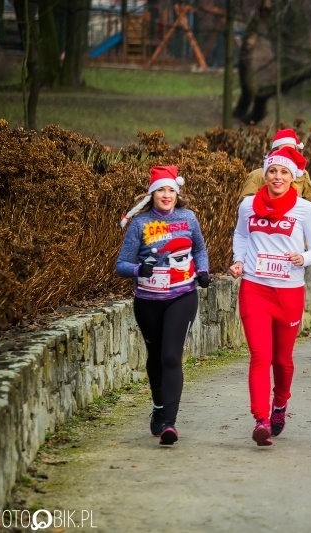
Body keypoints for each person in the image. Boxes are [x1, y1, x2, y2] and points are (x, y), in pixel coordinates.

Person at [229, 145, 311, 446]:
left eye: (284, 172)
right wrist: (239, 259)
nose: (277, 176)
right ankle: (261, 419)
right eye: (273, 171)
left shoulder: (304, 209)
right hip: (255, 287)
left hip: (289, 291)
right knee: (260, 355)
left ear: (293, 177)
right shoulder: (248, 205)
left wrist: (303, 258)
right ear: (265, 174)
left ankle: (280, 404)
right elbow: (242, 235)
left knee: (282, 359)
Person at [116, 165, 210, 446]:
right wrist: (137, 270)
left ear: (177, 193)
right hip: (148, 301)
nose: (166, 195)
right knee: (155, 357)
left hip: (182, 295)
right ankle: (158, 407)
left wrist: (203, 270)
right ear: (152, 194)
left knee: (171, 356)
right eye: (161, 190)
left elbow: (199, 249)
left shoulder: (188, 218)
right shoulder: (140, 224)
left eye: (171, 190)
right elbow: (121, 265)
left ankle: (169, 422)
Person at [238, 128, 311, 210]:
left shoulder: (303, 174)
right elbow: (243, 205)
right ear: (274, 151)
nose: (287, 154)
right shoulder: (257, 175)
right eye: (284, 150)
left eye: (292, 151)